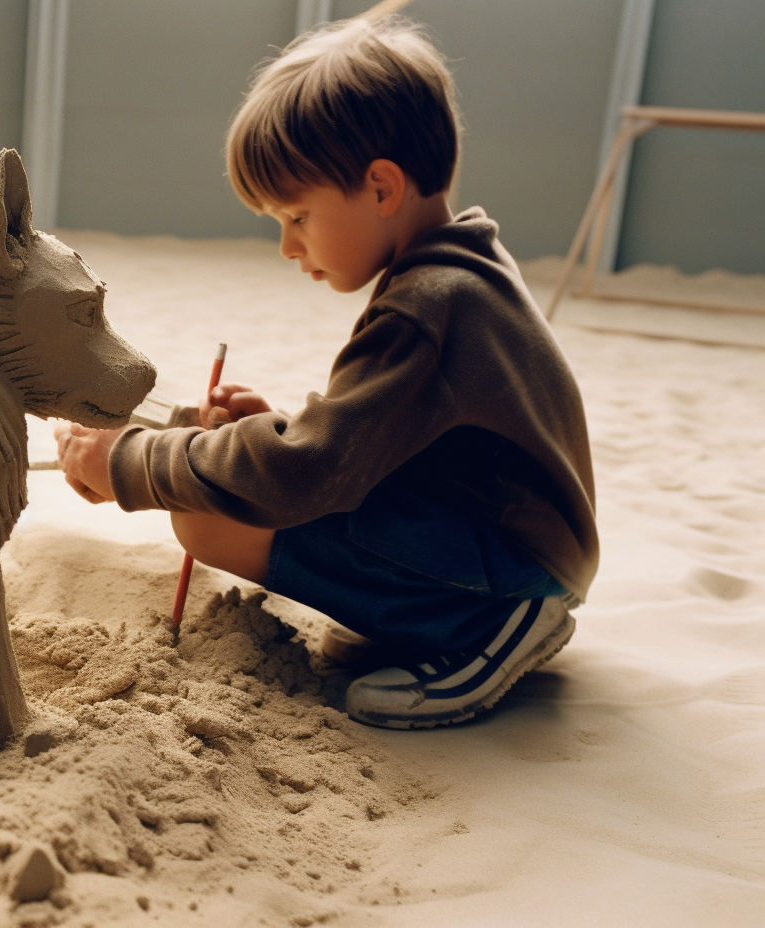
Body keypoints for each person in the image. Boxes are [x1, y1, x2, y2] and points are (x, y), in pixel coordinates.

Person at [54, 14, 598, 730]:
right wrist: (261, 428)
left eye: (297, 216)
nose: (286, 245)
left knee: (206, 519)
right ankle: (426, 613)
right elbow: (370, 443)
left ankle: (479, 628)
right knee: (229, 493)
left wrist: (130, 461)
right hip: (496, 532)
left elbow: (308, 472)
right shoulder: (455, 271)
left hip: (518, 567)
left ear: (380, 187)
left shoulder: (426, 306)